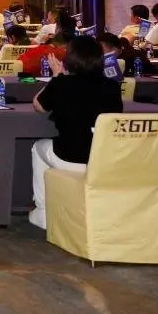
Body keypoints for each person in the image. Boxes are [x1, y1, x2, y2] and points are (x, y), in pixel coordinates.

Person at [28, 36, 124, 229]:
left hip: (70, 156)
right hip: (103, 159)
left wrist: (57, 76)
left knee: (38, 148)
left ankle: (43, 212)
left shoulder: (63, 84)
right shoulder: (113, 87)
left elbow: (38, 105)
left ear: (69, 59)